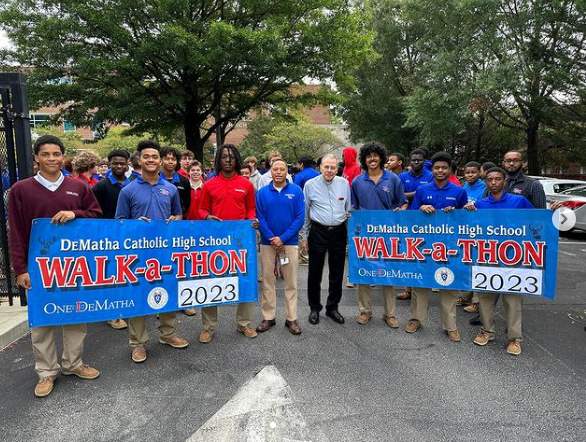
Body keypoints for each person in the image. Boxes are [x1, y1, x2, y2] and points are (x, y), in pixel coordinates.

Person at [8, 135, 102, 398]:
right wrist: (20, 269)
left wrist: (76, 213)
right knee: (42, 321)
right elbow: (15, 231)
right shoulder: (21, 189)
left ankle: (73, 363)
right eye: (46, 154)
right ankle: (46, 372)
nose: (51, 159)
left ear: (63, 157)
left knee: (75, 314)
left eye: (56, 154)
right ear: (36, 158)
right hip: (38, 267)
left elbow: (96, 215)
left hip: (74, 265)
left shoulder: (78, 187)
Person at [116, 140, 189, 363]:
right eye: (146, 156)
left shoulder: (170, 189)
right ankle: (138, 343)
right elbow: (119, 222)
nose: (150, 160)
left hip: (165, 254)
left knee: (167, 292)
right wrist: (134, 224)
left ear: (160, 160)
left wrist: (174, 220)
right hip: (138, 256)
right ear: (139, 160)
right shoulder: (128, 190)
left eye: (154, 157)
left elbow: (178, 215)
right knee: (138, 296)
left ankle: (168, 334)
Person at [464, 167, 537, 355]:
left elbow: (537, 221)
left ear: (504, 181)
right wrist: (467, 213)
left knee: (512, 300)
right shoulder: (479, 205)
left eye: (498, 179)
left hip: (513, 259)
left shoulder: (519, 201)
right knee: (485, 298)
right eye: (490, 179)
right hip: (487, 259)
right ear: (486, 182)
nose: (494, 183)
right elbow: (470, 230)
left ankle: (514, 339)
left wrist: (552, 214)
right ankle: (487, 331)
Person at [405, 151, 468, 342]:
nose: (440, 171)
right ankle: (416, 319)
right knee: (420, 283)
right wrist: (422, 208)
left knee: (449, 284)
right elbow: (413, 215)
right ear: (431, 170)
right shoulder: (423, 191)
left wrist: (456, 212)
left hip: (449, 247)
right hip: (425, 244)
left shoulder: (459, 191)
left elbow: (465, 218)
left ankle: (450, 326)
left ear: (450, 170)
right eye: (437, 168)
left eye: (444, 168)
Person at [198, 144, 258, 342]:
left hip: (240, 241)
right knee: (211, 282)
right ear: (218, 160)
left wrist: (250, 221)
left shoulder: (247, 184)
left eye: (232, 157)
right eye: (224, 156)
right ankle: (208, 327)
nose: (228, 160)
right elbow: (202, 209)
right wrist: (207, 217)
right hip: (215, 241)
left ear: (237, 159)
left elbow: (251, 209)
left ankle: (244, 323)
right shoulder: (209, 184)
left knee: (245, 280)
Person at [351, 143, 408, 329]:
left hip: (388, 234)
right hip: (365, 235)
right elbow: (354, 207)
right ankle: (365, 311)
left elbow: (403, 203)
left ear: (382, 158)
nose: (372, 159)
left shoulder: (392, 179)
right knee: (364, 273)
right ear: (364, 159)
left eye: (376, 156)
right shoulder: (357, 182)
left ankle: (390, 314)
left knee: (388, 273)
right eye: (369, 156)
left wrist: (399, 211)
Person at [255, 159, 305, 335]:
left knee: (291, 282)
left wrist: (282, 238)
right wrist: (271, 237)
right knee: (269, 281)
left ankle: (291, 318)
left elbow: (300, 218)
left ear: (287, 172)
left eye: (282, 169)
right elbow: (259, 218)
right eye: (275, 169)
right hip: (268, 243)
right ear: (270, 171)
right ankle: (269, 316)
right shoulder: (262, 192)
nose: (278, 172)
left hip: (289, 243)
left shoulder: (296, 191)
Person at [301, 154, 351, 325]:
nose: (329, 170)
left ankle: (333, 308)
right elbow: (306, 212)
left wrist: (348, 235)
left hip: (338, 232)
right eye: (326, 167)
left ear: (337, 169)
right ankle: (315, 308)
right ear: (319, 167)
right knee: (314, 272)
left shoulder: (344, 184)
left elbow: (347, 208)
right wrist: (305, 236)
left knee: (337, 272)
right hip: (318, 231)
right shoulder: (310, 185)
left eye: (333, 167)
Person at [91, 149, 131, 330]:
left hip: (129, 238)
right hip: (108, 238)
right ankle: (112, 315)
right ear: (109, 164)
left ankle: (125, 308)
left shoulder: (132, 184)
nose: (119, 166)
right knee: (111, 277)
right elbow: (92, 211)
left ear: (128, 164)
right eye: (115, 163)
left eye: (123, 163)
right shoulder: (101, 186)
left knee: (127, 275)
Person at [397, 149, 434, 300]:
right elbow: (397, 195)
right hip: (406, 219)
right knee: (408, 253)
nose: (416, 162)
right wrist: (418, 192)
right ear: (409, 161)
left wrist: (411, 194)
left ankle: (422, 286)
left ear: (424, 161)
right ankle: (408, 289)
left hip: (425, 220)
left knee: (423, 253)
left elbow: (428, 195)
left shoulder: (431, 176)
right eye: (414, 160)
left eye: (419, 160)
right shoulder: (402, 176)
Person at [160, 146, 191, 217]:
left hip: (179, 221)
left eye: (173, 159)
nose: (170, 162)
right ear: (161, 160)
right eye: (167, 159)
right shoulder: (155, 179)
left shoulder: (184, 181)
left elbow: (187, 204)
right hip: (161, 220)